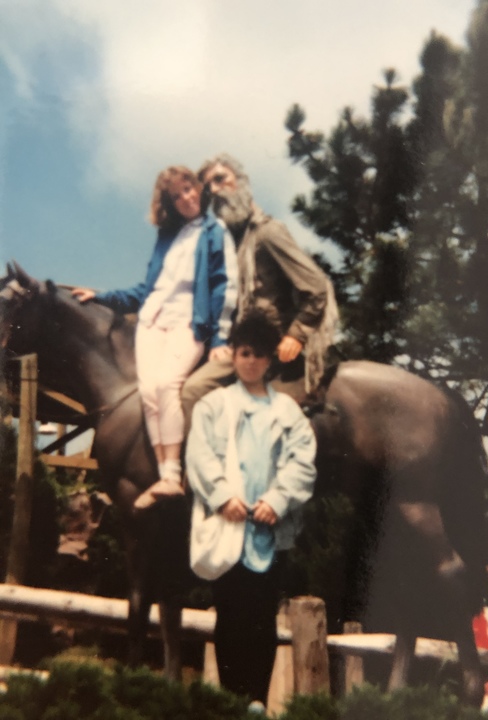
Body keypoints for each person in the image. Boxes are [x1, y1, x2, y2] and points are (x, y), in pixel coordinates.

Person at [72, 165, 237, 510]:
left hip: (188, 323)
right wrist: (102, 297)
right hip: (151, 322)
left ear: (199, 188)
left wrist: (220, 339)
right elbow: (147, 290)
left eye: (188, 189)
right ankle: (163, 477)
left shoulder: (214, 231)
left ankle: (172, 475)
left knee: (166, 386)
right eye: (176, 196)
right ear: (169, 204)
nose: (186, 198)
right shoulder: (167, 237)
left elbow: (224, 286)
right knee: (148, 393)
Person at [185, 310, 316, 710]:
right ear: (234, 356)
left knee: (262, 617)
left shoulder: (288, 411)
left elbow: (302, 461)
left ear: (270, 359)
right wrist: (223, 496)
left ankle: (256, 702)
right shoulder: (214, 405)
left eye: (259, 354)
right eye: (244, 353)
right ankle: (231, 703)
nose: (251, 362)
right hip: (229, 529)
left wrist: (277, 500)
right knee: (229, 615)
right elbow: (200, 455)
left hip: (268, 532)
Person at [181, 153, 337, 421]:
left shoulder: (267, 232)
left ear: (241, 181)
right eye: (208, 188)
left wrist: (296, 335)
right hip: (238, 342)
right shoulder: (230, 245)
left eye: (220, 179)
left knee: (194, 391)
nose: (214, 190)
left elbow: (316, 286)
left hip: (269, 345)